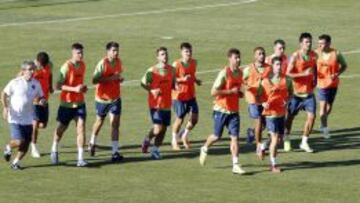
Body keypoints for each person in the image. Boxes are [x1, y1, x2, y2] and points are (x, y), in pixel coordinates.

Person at [199, 48, 246, 175]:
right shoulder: (224, 73)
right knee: (216, 136)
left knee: (235, 138)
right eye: (236, 57)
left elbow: (237, 90)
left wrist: (239, 94)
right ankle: (204, 147)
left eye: (239, 57)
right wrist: (230, 92)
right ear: (229, 59)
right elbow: (213, 92)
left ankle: (235, 164)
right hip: (221, 109)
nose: (238, 60)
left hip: (234, 111)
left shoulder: (240, 73)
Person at [2, 60, 45, 170]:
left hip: (28, 119)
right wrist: (6, 108)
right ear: (23, 71)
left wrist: (42, 101)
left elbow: (41, 97)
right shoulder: (15, 82)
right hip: (15, 118)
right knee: (18, 141)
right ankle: (8, 147)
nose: (32, 71)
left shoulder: (36, 84)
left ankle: (15, 163)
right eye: (29, 69)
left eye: (33, 69)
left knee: (25, 144)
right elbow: (4, 93)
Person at [50, 43, 88, 167]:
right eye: (78, 53)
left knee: (81, 127)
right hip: (66, 104)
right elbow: (57, 86)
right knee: (62, 128)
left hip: (80, 103)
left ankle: (80, 158)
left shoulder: (83, 65)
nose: (81, 55)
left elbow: (79, 83)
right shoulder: (66, 67)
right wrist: (74, 89)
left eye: (82, 53)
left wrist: (83, 88)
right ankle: (54, 148)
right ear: (72, 53)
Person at [88, 41, 124, 162]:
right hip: (102, 99)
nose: (116, 53)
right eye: (113, 50)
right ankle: (92, 141)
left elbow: (117, 76)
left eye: (117, 50)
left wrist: (119, 80)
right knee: (99, 121)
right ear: (107, 51)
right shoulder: (102, 64)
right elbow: (94, 80)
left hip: (115, 98)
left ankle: (115, 152)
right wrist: (111, 78)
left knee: (115, 124)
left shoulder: (119, 62)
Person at [140, 47, 175, 159]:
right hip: (155, 104)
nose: (165, 56)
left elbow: (173, 84)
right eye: (162, 54)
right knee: (157, 129)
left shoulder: (172, 70)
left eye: (166, 54)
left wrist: (177, 86)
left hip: (167, 104)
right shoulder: (152, 71)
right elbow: (143, 83)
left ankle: (155, 149)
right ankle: (147, 139)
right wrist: (152, 90)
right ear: (158, 57)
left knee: (164, 129)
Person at [285, 32, 317, 153]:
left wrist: (315, 79)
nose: (309, 44)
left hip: (309, 94)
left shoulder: (314, 55)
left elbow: (314, 68)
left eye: (310, 42)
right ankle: (286, 138)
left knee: (312, 117)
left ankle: (304, 142)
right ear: (301, 44)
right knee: (290, 118)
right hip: (296, 94)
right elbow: (287, 73)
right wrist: (302, 74)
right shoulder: (295, 56)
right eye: (306, 42)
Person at [260, 56, 293, 173]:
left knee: (279, 140)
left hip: (281, 113)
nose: (279, 67)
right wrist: (263, 103)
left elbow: (291, 94)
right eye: (276, 65)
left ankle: (263, 147)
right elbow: (258, 96)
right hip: (271, 114)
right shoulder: (265, 81)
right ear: (272, 66)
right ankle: (273, 165)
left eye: (280, 65)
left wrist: (287, 101)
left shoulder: (288, 80)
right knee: (274, 139)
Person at [316, 34, 347, 139]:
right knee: (323, 107)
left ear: (329, 43)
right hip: (321, 84)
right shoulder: (316, 53)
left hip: (333, 84)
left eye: (323, 43)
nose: (320, 46)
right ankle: (325, 129)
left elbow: (344, 65)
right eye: (319, 44)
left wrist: (337, 74)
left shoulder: (336, 53)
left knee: (329, 107)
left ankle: (322, 122)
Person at [171, 42, 201, 150]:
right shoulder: (176, 64)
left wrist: (196, 81)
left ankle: (184, 135)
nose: (189, 53)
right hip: (179, 96)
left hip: (191, 95)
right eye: (186, 51)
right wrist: (182, 80)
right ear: (181, 52)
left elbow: (192, 75)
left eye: (190, 51)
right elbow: (172, 79)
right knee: (179, 119)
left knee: (194, 118)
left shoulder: (194, 63)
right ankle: (174, 140)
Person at [243, 47, 272, 159]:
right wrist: (248, 88)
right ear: (255, 56)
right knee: (259, 121)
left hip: (264, 100)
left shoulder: (269, 68)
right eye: (259, 54)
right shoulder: (248, 69)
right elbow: (242, 82)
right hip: (253, 100)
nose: (261, 55)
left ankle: (251, 132)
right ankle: (258, 147)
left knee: (262, 125)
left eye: (263, 53)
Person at [30, 52, 54, 158]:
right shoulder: (32, 69)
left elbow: (50, 74)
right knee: (35, 125)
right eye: (42, 65)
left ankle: (29, 126)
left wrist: (50, 86)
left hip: (44, 101)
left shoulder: (48, 66)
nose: (44, 67)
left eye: (45, 64)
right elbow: (20, 77)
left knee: (43, 125)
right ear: (38, 62)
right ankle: (33, 147)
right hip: (34, 101)